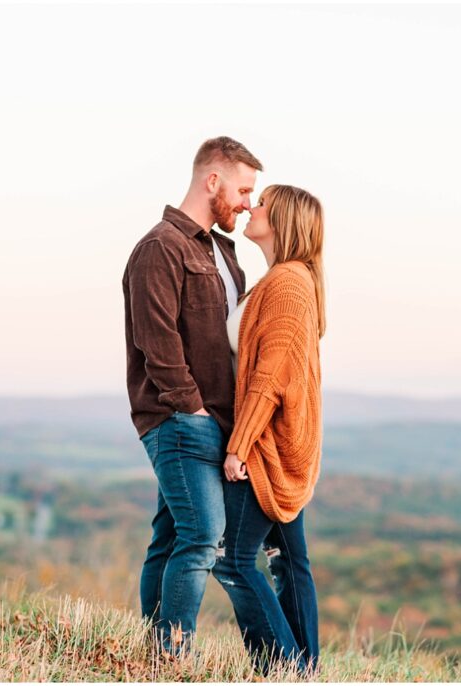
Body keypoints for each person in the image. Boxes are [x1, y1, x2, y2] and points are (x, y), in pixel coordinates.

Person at [122, 136, 263, 655]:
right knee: (204, 536)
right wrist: (194, 409)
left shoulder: (224, 252)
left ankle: (153, 653)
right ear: (213, 180)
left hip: (213, 421)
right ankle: (172, 656)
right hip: (180, 419)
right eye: (244, 189)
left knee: (172, 538)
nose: (248, 202)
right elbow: (155, 340)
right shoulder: (161, 247)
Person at [211, 184, 325, 675]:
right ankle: (306, 671)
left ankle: (285, 671)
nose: (251, 207)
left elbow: (271, 375)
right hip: (285, 444)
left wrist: (240, 445)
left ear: (281, 220)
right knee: (289, 563)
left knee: (232, 560)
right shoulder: (286, 280)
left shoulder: (285, 284)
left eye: (261, 204)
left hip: (266, 447)